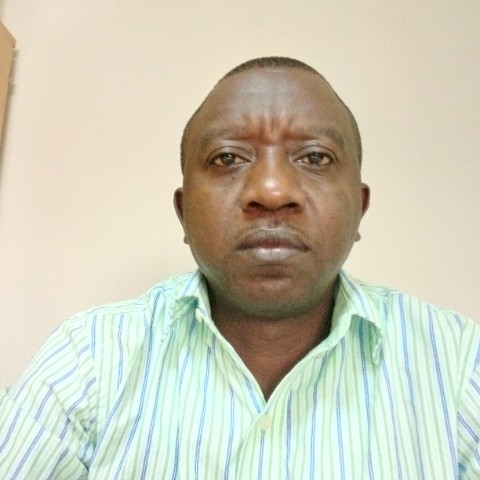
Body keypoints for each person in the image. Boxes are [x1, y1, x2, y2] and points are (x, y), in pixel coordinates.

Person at [0, 56, 479, 479]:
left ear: (360, 207)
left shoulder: (457, 365)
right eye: (228, 158)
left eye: (315, 157)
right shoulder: (88, 359)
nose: (272, 191)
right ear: (183, 213)